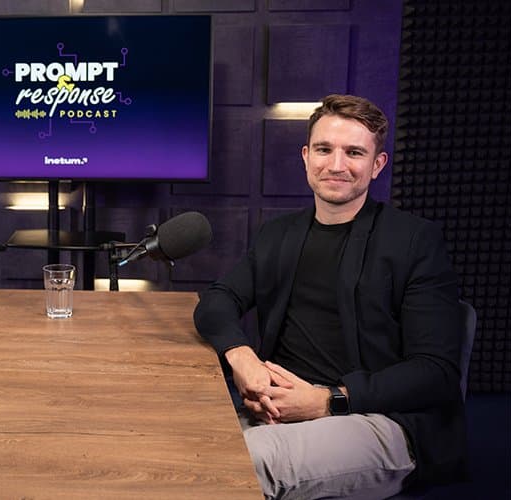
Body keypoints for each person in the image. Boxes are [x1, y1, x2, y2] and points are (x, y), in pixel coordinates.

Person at [194, 94, 467, 499]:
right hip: (279, 411)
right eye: (324, 149)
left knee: (238, 463)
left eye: (354, 152)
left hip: (378, 418)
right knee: (173, 443)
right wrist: (241, 355)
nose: (336, 164)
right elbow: (217, 300)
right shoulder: (278, 234)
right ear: (306, 157)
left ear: (377, 165)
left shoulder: (414, 240)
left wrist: (328, 400)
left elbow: (436, 372)